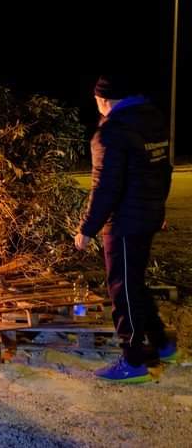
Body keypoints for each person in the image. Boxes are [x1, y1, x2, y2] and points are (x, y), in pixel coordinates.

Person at [75, 75, 176, 383]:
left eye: (96, 101)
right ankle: (162, 342)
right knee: (135, 282)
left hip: (124, 223)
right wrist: (158, 208)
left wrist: (86, 229)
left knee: (122, 288)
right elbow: (164, 170)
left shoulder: (110, 133)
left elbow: (105, 187)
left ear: (104, 100)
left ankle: (132, 360)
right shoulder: (153, 121)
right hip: (147, 216)